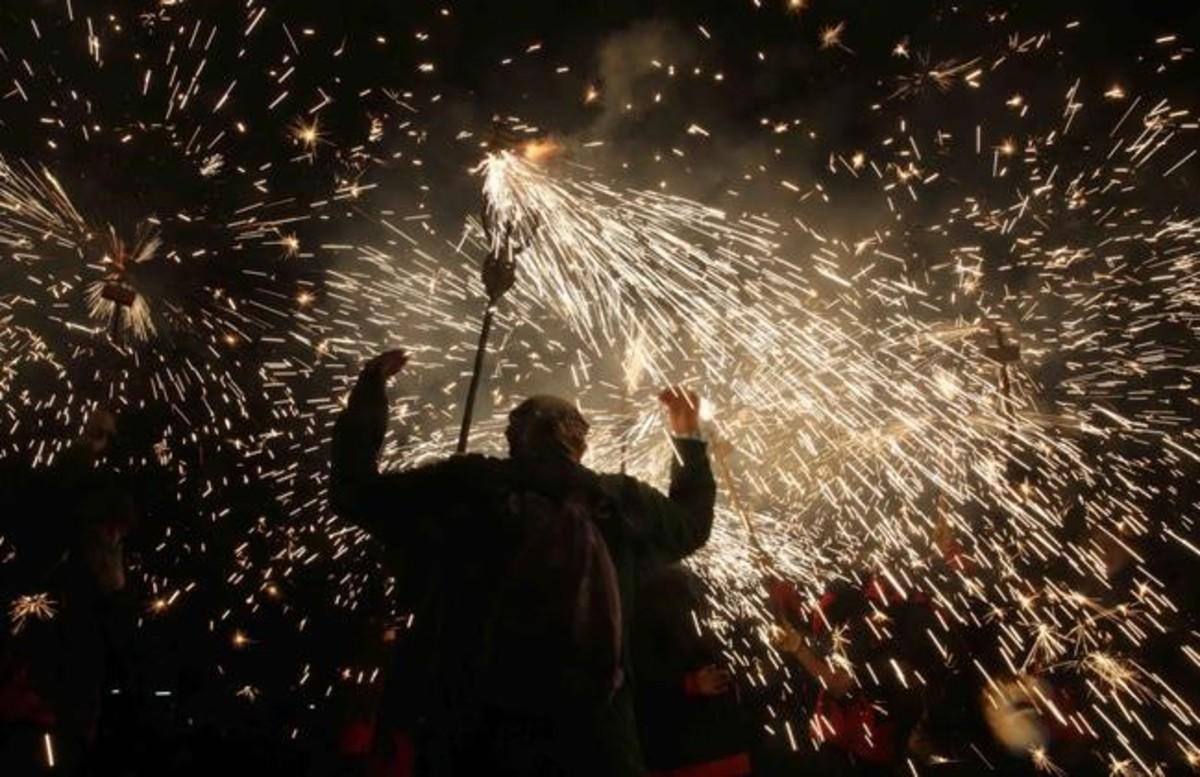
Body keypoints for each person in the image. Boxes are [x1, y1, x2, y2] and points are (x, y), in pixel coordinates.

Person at [330, 349, 716, 777]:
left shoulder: (466, 486)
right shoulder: (617, 501)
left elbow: (355, 492)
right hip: (594, 747)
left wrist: (369, 394)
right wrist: (689, 440)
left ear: (514, 436)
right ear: (580, 440)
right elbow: (692, 526)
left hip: (472, 742)